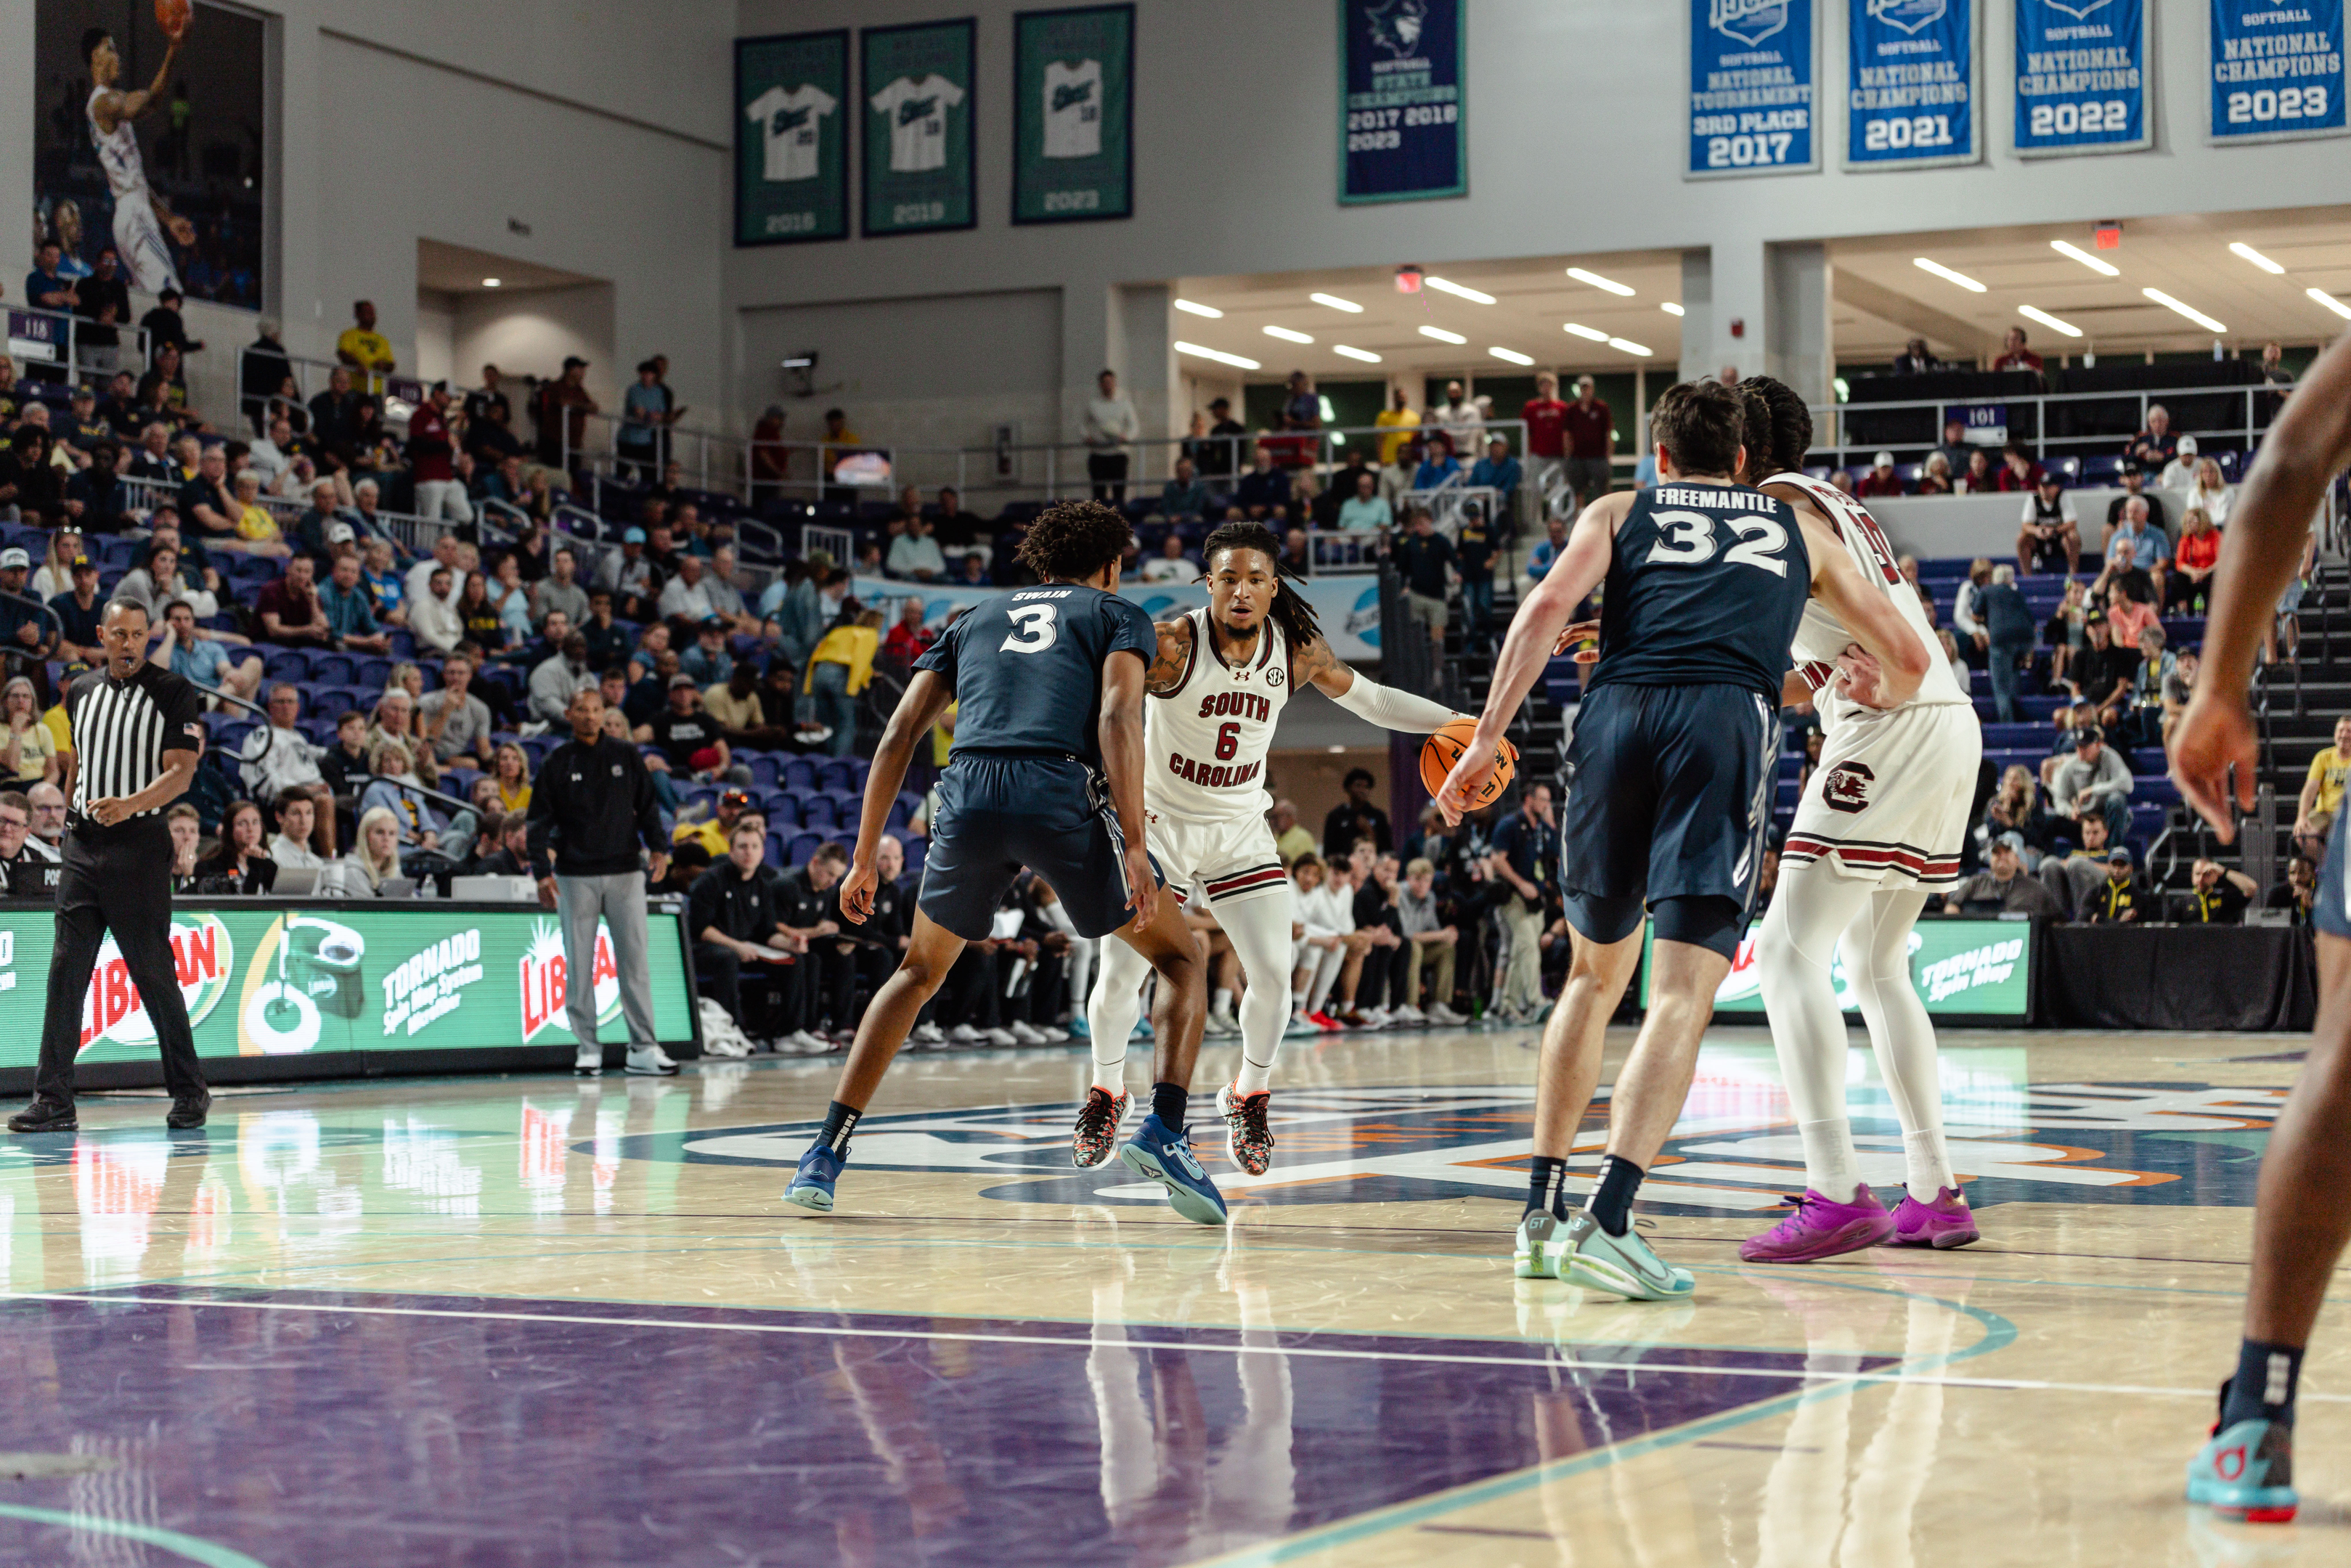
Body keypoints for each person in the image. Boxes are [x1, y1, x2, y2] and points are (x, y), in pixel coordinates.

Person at [1435, 378, 1928, 1299]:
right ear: (1746, 461)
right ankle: (1609, 1221)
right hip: (1720, 727)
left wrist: (1489, 739)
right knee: (1681, 995)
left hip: (1614, 718)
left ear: (1659, 456)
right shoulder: (1796, 531)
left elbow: (1543, 613)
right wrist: (1867, 689)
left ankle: (1539, 1220)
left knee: (1589, 977)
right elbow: (1904, 659)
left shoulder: (1619, 509)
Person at [782, 500, 1218, 1224]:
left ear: (1042, 561)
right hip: (1054, 789)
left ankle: (824, 1153)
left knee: (917, 973)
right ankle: (1166, 1130)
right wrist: (1137, 847)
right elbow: (1115, 719)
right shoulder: (1116, 615)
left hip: (969, 791)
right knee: (1181, 955)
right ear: (1110, 566)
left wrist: (863, 858)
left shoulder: (971, 619)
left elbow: (896, 735)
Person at [1084, 519, 1464, 1175]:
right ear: (1208, 584)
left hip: (1240, 831)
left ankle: (1249, 1092)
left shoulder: (1296, 650)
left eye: (1255, 579)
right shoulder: (1171, 644)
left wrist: (1462, 723)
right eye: (1228, 578)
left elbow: (1373, 702)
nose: (1241, 591)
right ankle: (1105, 1088)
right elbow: (1105, 709)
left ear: (1272, 586)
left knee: (1276, 980)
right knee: (1121, 974)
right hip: (1162, 826)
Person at [1719, 375, 1987, 1263]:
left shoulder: (1769, 512)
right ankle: (1933, 1190)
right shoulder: (1834, 502)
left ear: (1741, 453)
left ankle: (1834, 1190)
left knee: (1788, 954)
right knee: (1875, 966)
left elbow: (1877, 656)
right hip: (1949, 726)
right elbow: (1809, 666)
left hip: (1895, 726)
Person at [9, 598, 208, 1135]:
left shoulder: (172, 691)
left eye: (138, 634)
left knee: (152, 973)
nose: (127, 644)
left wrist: (129, 803)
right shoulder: (81, 691)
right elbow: (81, 761)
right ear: (102, 634)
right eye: (118, 634)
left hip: (138, 846)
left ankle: (189, 1091)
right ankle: (53, 1099)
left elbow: (183, 772)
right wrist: (69, 821)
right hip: (83, 846)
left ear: (148, 636)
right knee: (64, 973)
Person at [523, 687, 675, 1077]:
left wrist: (659, 847)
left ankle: (643, 1046)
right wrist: (541, 871)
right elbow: (538, 821)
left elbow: (648, 808)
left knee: (635, 962)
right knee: (578, 963)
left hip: (626, 871)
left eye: (595, 710)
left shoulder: (626, 754)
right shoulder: (557, 761)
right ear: (569, 714)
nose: (590, 717)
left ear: (605, 712)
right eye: (582, 710)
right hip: (575, 875)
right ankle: (587, 1046)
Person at [1487, 783, 1560, 1022]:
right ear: (1528, 799)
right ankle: (1536, 1002)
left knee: (1523, 951)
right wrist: (1520, 884)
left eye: (1548, 801)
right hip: (1513, 897)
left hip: (1535, 900)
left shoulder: (1541, 829)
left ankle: (1508, 1005)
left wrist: (1551, 824)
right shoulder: (1509, 825)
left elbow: (1557, 853)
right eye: (1542, 800)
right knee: (1528, 945)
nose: (1546, 805)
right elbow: (1497, 860)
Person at [240, 683, 339, 856]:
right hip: (282, 800)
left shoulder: (297, 737)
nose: (286, 706)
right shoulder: (263, 735)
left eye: (290, 702)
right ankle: (331, 861)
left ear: (298, 707)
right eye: (280, 702)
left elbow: (314, 755)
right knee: (325, 802)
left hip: (311, 793)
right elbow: (264, 782)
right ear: (270, 706)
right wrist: (303, 791)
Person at [1942, 831, 2061, 916]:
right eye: (1997, 853)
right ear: (1990, 860)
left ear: (2017, 860)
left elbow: (2057, 918)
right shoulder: (1975, 882)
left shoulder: (2034, 887)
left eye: (2007, 852)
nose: (2002, 856)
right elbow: (1952, 905)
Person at [196, 799, 277, 894]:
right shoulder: (214, 866)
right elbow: (243, 902)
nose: (250, 829)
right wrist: (257, 865)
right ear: (230, 830)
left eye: (255, 822)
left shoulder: (267, 863)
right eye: (242, 824)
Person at [1084, 369, 1139, 503]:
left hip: (1118, 453)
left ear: (1115, 383)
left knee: (1119, 493)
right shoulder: (1093, 404)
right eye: (1105, 382)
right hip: (1098, 454)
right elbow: (1082, 425)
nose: (1108, 385)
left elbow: (1134, 426)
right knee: (1098, 495)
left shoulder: (1124, 404)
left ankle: (1117, 520)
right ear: (1100, 385)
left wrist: (1126, 437)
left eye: (1111, 382)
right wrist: (1087, 437)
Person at [2295, 715, 2351, 838]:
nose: (2344, 735)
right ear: (2335, 734)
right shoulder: (2323, 757)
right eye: (2341, 730)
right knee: (2302, 832)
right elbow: (2310, 789)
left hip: (2349, 814)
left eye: (2349, 731)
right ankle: (2325, 857)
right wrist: (2302, 816)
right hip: (2325, 813)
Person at [2018, 472, 2080, 575]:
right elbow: (2025, 525)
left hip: (2059, 537)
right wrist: (2037, 531)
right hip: (2039, 538)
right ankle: (2027, 577)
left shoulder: (2063, 497)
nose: (2044, 489)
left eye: (2048, 486)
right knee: (2021, 538)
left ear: (2056, 487)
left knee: (2073, 536)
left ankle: (2073, 575)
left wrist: (2054, 531)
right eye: (2042, 486)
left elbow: (2072, 523)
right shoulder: (2033, 499)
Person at [269, 788, 327, 871]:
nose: (304, 821)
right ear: (279, 817)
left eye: (308, 813)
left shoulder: (317, 863)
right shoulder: (273, 859)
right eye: (296, 813)